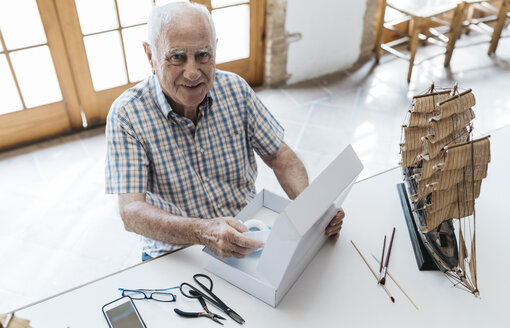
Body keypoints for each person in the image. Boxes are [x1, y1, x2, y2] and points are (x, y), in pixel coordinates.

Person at [105, 2, 345, 261]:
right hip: (178, 251)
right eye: (177, 57)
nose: (193, 72)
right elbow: (131, 212)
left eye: (203, 55)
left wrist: (311, 209)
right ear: (150, 55)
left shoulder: (235, 89)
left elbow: (280, 156)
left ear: (215, 49)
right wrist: (202, 231)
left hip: (246, 234)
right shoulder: (126, 115)